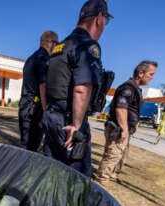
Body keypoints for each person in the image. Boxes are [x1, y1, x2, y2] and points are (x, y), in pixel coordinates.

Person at [42, 0, 113, 177]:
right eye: (106, 20)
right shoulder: (87, 45)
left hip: (52, 117)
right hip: (69, 123)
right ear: (99, 18)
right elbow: (82, 89)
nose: (104, 26)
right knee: (77, 179)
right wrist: (77, 125)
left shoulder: (61, 46)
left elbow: (45, 84)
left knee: (51, 173)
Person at [95, 60, 158, 184]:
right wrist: (123, 129)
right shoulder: (128, 88)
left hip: (125, 130)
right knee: (113, 155)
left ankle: (111, 176)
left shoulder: (135, 89)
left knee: (120, 155)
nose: (152, 77)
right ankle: (101, 180)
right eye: (151, 74)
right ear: (141, 73)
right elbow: (121, 109)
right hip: (118, 129)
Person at [18, 30, 59, 151]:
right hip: (34, 110)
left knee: (25, 145)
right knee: (31, 147)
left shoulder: (31, 58)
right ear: (50, 42)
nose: (57, 47)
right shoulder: (44, 59)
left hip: (25, 107)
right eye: (57, 43)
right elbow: (43, 85)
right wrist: (46, 111)